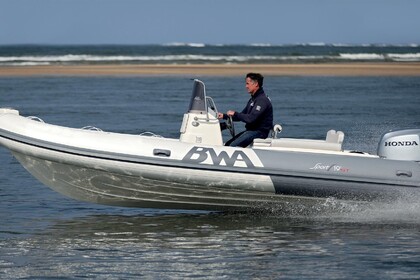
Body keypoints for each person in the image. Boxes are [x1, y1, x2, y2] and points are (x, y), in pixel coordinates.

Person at [218, 73, 273, 147]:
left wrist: (235, 113)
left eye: (248, 84)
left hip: (259, 132)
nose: (246, 86)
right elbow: (241, 116)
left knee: (232, 146)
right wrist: (224, 116)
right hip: (251, 131)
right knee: (228, 144)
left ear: (256, 84)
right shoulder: (253, 100)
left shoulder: (262, 100)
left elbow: (250, 119)